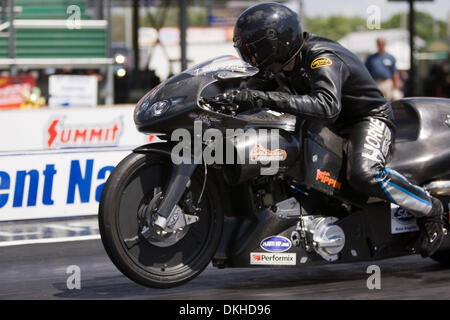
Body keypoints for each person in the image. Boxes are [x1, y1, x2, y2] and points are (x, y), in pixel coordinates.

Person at [225, 2, 445, 257]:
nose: (253, 58)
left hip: (366, 118)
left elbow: (327, 106)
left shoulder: (322, 57)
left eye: (256, 49)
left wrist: (261, 98)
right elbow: (248, 92)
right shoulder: (276, 65)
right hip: (329, 123)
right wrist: (227, 101)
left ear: (279, 42)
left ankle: (431, 208)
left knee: (365, 174)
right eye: (247, 51)